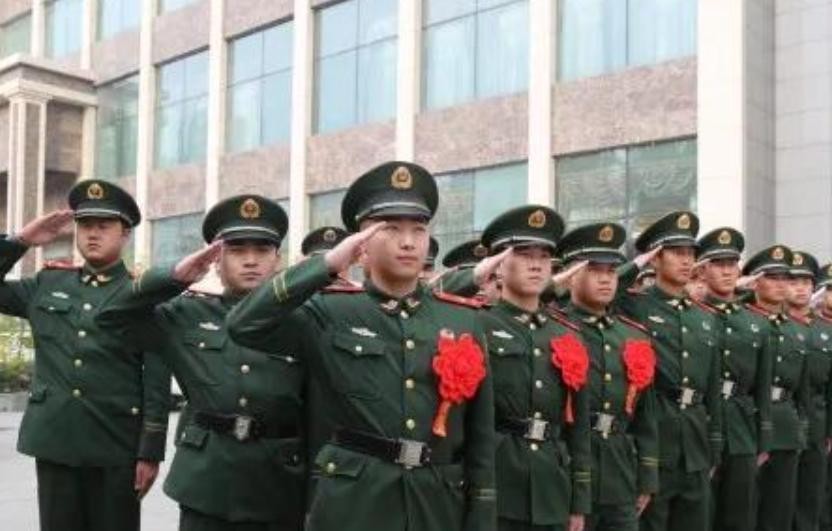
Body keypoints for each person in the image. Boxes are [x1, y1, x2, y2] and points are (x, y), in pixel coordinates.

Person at [227, 161, 496, 531]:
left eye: (418, 229)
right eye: (391, 229)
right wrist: (325, 265)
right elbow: (244, 325)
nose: (408, 241)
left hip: (437, 503)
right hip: (354, 503)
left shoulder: (463, 320)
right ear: (362, 243)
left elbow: (480, 435)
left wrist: (481, 514)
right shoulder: (330, 311)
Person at [98, 195, 305, 530]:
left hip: (280, 482)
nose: (251, 260)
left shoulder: (302, 319)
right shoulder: (185, 315)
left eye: (262, 250)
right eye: (237, 250)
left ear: (277, 259)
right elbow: (108, 318)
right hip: (207, 481)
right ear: (216, 260)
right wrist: (173, 277)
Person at [0, 179, 170, 531]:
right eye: (85, 225)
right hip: (56, 440)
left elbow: (156, 377)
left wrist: (150, 451)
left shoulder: (141, 293)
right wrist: (21, 241)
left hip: (115, 444)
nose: (93, 234)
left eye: (104, 226)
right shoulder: (48, 284)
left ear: (125, 233)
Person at [474, 205, 592, 531]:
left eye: (544, 256)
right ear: (499, 266)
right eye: (524, 254)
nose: (537, 264)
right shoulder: (478, 325)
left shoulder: (567, 334)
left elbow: (579, 426)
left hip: (552, 483)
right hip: (499, 481)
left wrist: (579, 501)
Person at [615, 211, 723, 531]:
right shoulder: (637, 304)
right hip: (657, 436)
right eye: (676, 252)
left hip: (696, 442)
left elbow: (713, 387)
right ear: (656, 259)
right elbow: (606, 287)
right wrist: (637, 263)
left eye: (690, 253)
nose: (686, 260)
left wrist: (714, 446)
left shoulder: (705, 317)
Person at [557, 222, 659, 531]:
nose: (605, 279)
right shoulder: (555, 328)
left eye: (612, 271)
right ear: (572, 274)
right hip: (568, 466)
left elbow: (646, 415)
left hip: (619, 469)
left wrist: (647, 476)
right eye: (594, 270)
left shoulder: (633, 335)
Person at [695, 228, 772, 531]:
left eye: (732, 264)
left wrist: (763, 437)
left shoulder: (756, 323)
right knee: (702, 516)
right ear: (702, 270)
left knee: (739, 515)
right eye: (718, 264)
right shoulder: (694, 316)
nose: (727, 271)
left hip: (741, 428)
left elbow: (762, 386)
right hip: (700, 425)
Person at [741, 245, 810, 531]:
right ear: (755, 282)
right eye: (772, 277)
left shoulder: (797, 329)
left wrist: (801, 428)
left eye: (785, 278)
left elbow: (803, 390)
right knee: (745, 512)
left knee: (779, 511)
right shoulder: (742, 321)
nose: (782, 284)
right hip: (748, 422)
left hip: (785, 426)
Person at [786, 250, 832, 531]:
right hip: (781, 418)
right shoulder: (772, 325)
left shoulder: (824, 330)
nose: (801, 288)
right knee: (777, 500)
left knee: (810, 497)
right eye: (793, 281)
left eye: (806, 282)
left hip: (816, 422)